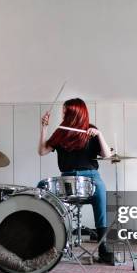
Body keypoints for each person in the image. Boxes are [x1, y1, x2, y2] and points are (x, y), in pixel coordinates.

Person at [38, 98, 115, 264]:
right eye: (63, 111)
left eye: (66, 111)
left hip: (91, 178)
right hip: (67, 178)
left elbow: (107, 155)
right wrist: (44, 128)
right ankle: (45, 239)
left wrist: (99, 134)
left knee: (101, 191)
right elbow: (42, 151)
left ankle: (103, 248)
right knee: (40, 187)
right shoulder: (60, 132)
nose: (63, 114)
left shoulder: (91, 130)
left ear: (76, 113)